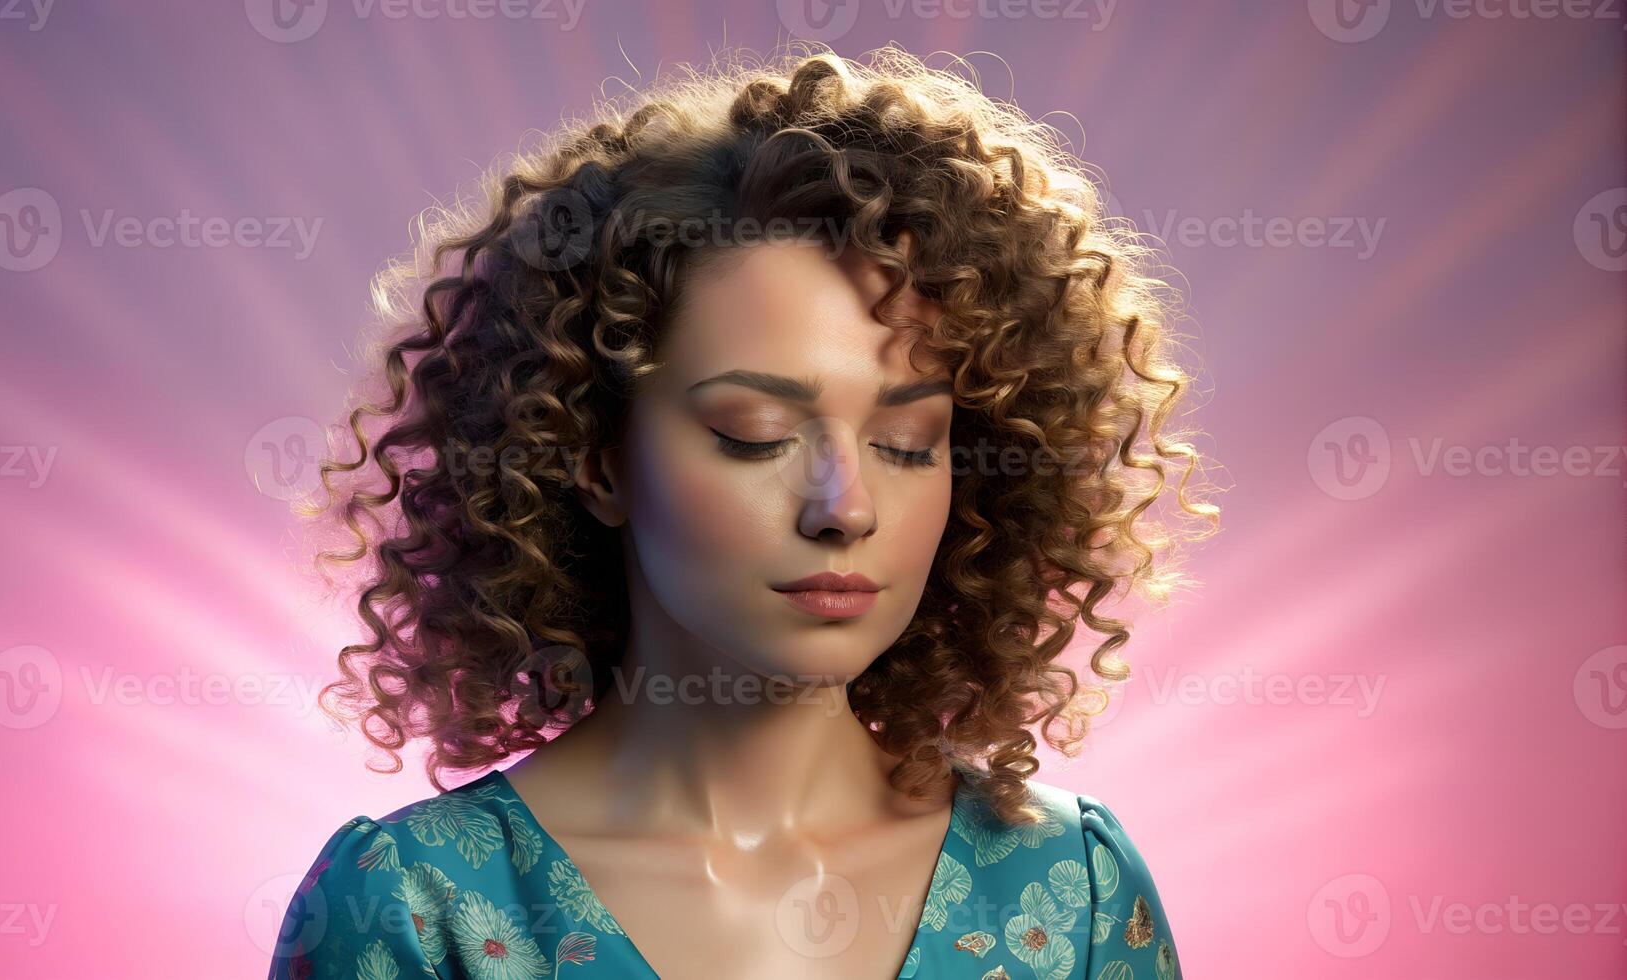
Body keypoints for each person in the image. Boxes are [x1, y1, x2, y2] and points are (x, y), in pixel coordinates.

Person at [269, 44, 1217, 980]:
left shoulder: (1071, 889)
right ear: (597, 460)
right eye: (755, 433)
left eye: (907, 443)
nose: (843, 507)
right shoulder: (409, 909)